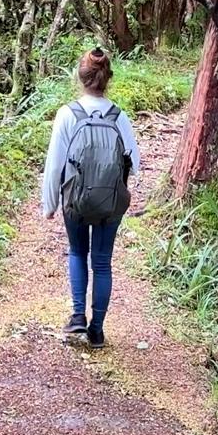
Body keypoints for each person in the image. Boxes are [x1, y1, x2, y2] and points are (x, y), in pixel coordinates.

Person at [39, 47, 141, 347]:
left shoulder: (67, 115)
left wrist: (50, 204)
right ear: (108, 78)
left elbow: (55, 164)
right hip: (111, 202)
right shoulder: (118, 116)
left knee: (76, 253)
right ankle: (97, 330)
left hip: (76, 201)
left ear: (79, 77)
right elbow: (135, 164)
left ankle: (77, 318)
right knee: (103, 263)